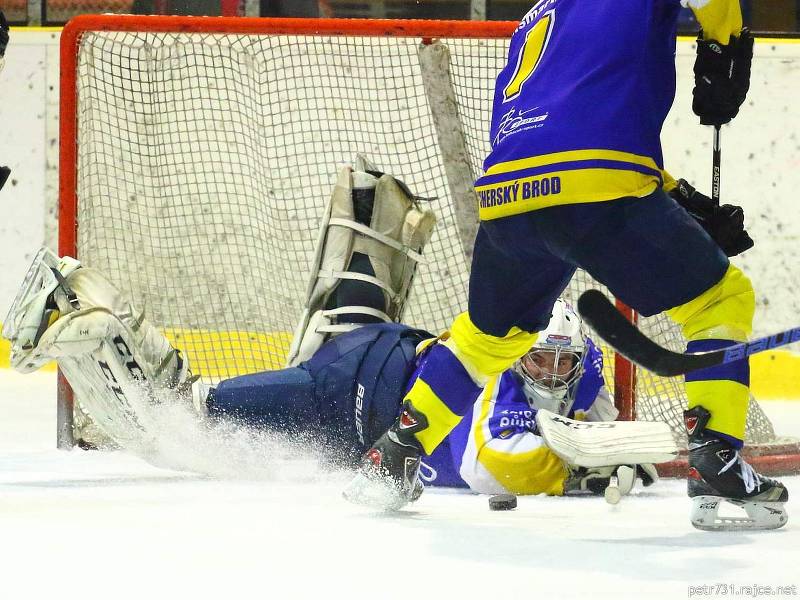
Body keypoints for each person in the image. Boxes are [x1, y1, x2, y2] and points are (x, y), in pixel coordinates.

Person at [346, 0, 788, 531]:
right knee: (722, 299)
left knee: (489, 338)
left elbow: (560, 138)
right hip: (598, 189)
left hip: (507, 199)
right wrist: (726, 44)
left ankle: (393, 455)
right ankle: (717, 456)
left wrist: (676, 197)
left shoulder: (536, 16)